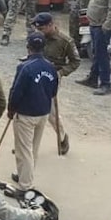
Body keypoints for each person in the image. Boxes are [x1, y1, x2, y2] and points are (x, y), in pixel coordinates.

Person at [8, 32, 59, 191]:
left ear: (28, 47)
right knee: (33, 148)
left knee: (24, 150)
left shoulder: (24, 67)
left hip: (26, 114)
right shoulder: (51, 66)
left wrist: (11, 109)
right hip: (43, 112)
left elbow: (16, 91)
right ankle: (23, 175)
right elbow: (53, 91)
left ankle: (25, 185)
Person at [32, 12, 79, 152]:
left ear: (51, 25)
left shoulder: (65, 41)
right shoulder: (37, 37)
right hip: (34, 76)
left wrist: (60, 73)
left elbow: (75, 62)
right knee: (30, 110)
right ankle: (27, 143)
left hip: (51, 79)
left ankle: (63, 137)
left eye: (41, 29)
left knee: (50, 113)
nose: (38, 31)